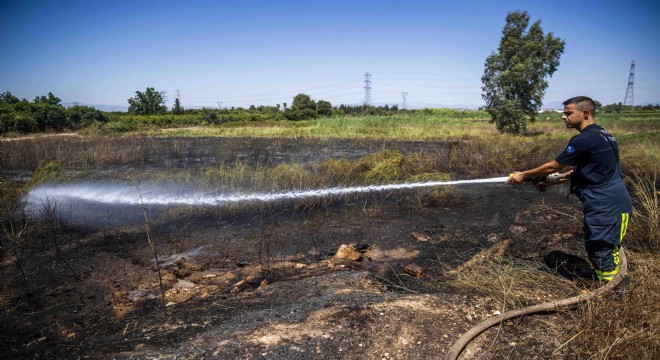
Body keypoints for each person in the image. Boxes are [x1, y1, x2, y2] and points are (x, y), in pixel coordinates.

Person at [506, 96, 632, 282]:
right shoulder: (605, 135)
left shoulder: (584, 139)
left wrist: (523, 175)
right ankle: (609, 284)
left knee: (600, 248)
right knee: (604, 247)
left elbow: (553, 166)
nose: (563, 117)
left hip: (605, 204)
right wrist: (551, 182)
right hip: (613, 200)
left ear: (585, 113)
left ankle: (612, 293)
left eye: (568, 113)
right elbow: (590, 170)